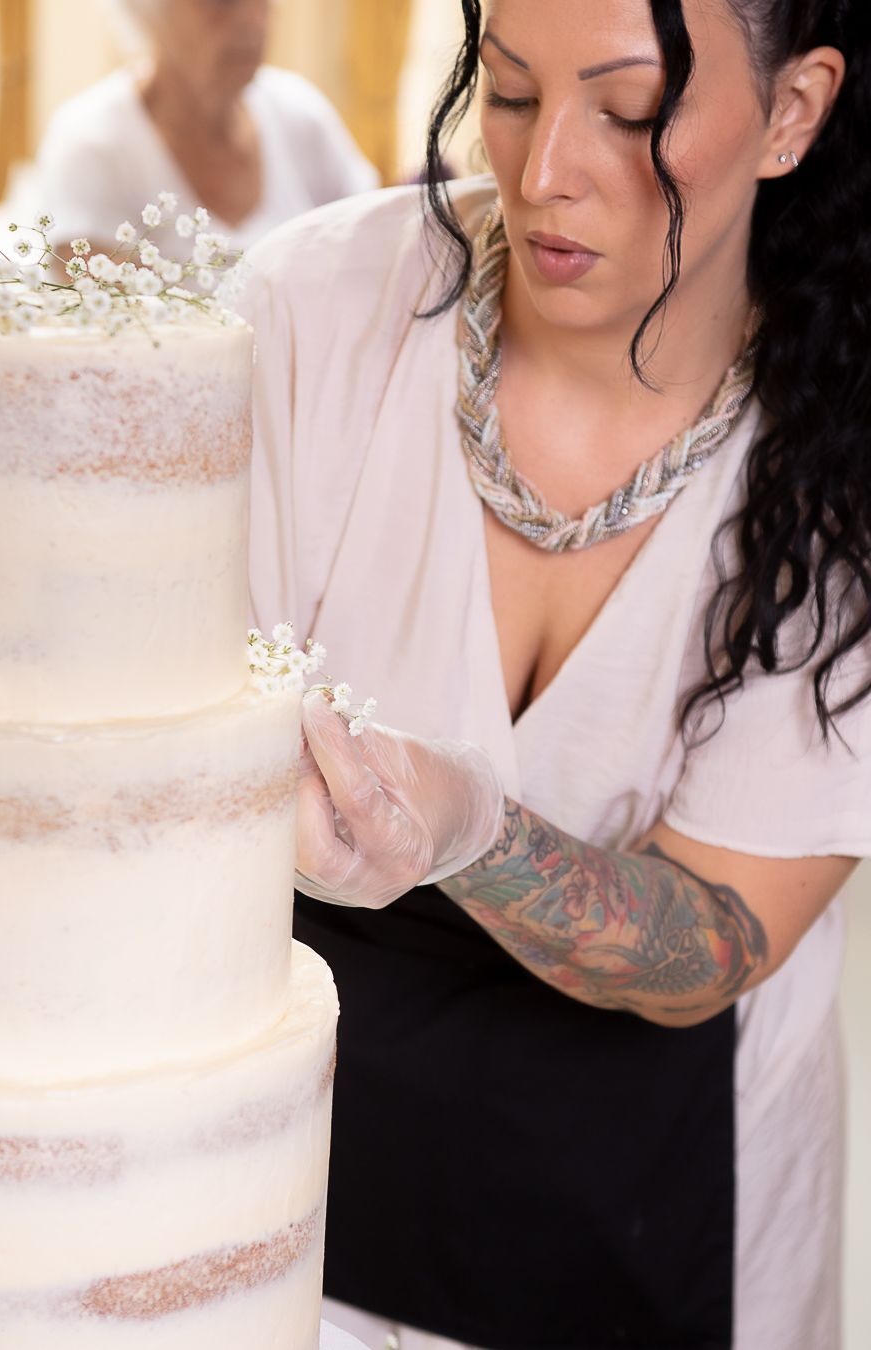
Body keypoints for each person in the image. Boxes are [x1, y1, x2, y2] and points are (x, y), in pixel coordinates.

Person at [242, 2, 871, 1348]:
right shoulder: (315, 314)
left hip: (658, 1198)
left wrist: (470, 827)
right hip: (301, 1177)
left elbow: (713, 939)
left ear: (792, 112)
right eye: (513, 92)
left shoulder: (837, 454)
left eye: (631, 112)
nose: (543, 174)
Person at [35, 0, 378, 259]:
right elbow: (107, 320)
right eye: (221, 2)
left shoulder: (301, 114)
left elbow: (374, 251)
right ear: (150, 11)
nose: (251, 20)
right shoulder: (92, 144)